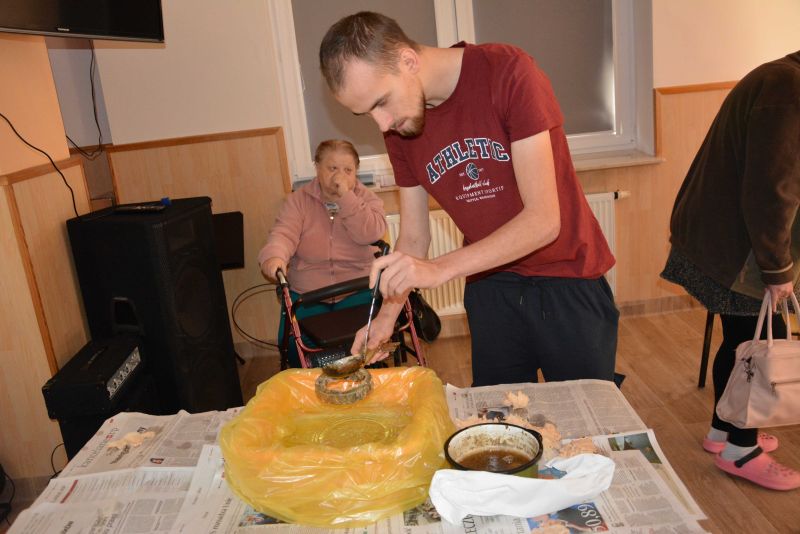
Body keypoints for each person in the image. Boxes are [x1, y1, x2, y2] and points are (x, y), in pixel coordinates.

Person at [318, 12, 619, 387]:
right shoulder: (401, 125)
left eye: (381, 102)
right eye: (366, 113)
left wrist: (439, 269)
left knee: (584, 413)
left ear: (408, 61)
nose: (382, 124)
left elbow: (543, 221)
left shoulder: (509, 73)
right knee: (500, 415)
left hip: (569, 278)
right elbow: (414, 239)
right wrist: (385, 319)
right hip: (491, 285)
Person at [661, 51, 800, 490]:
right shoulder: (788, 89)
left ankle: (722, 431)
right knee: (761, 345)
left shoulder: (779, 76)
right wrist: (778, 269)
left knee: (740, 340)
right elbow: (770, 190)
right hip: (742, 251)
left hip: (725, 240)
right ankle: (742, 450)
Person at [259, 139, 386, 367]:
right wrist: (275, 256)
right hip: (308, 292)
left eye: (347, 170)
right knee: (292, 345)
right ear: (317, 167)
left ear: (356, 172)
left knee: (367, 340)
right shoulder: (298, 201)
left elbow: (370, 234)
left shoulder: (367, 199)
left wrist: (347, 197)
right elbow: (283, 234)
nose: (339, 176)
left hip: (356, 288)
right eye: (332, 168)